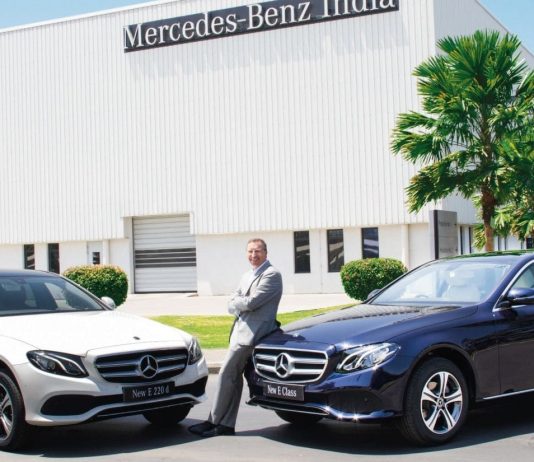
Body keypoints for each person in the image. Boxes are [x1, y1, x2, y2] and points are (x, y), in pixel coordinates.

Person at [189, 238, 283, 437]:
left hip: (253, 334)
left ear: (266, 253)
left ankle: (214, 421)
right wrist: (238, 302)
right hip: (240, 332)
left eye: (257, 251)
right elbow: (234, 302)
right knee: (233, 378)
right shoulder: (247, 275)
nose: (253, 255)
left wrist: (237, 302)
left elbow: (251, 302)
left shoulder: (272, 275)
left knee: (226, 375)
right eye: (250, 251)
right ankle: (225, 425)